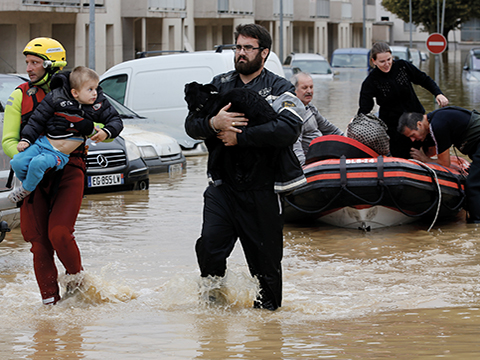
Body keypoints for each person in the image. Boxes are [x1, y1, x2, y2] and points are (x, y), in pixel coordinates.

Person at [185, 23, 305, 311]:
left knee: (266, 267)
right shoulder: (220, 83)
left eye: (248, 48)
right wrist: (214, 124)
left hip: (262, 189)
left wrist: (240, 137)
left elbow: (289, 129)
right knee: (210, 249)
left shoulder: (280, 88)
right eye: (237, 47)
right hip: (222, 187)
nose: (240, 53)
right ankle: (213, 313)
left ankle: (267, 331)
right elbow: (191, 125)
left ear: (264, 52)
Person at [2, 38, 123, 305]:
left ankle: (78, 289)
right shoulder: (20, 95)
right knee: (38, 241)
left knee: (59, 233)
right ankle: (51, 305)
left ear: (51, 65)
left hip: (70, 170)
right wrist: (31, 155)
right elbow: (8, 141)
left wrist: (100, 131)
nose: (29, 68)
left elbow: (107, 120)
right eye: (27, 63)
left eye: (35, 63)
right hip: (35, 173)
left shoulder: (81, 91)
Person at [9, 66, 121, 203]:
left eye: (96, 88)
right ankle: (28, 182)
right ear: (75, 92)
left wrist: (106, 132)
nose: (95, 93)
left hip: (59, 154)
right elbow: (37, 120)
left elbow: (116, 121)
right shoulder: (56, 97)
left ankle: (27, 189)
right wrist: (26, 139)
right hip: (42, 144)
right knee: (17, 162)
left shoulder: (99, 104)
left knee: (38, 163)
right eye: (90, 89)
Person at [358, 42, 449, 159]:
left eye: (389, 59)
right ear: (373, 61)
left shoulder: (403, 66)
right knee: (403, 156)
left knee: (429, 148)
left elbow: (423, 79)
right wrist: (357, 121)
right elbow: (365, 108)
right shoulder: (371, 81)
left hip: (416, 118)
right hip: (394, 128)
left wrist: (438, 93)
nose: (387, 64)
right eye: (382, 62)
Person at [397, 107, 480, 223]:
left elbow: (445, 163)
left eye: (412, 135)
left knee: (473, 185)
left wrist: (424, 159)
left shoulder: (438, 125)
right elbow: (433, 150)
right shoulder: (434, 120)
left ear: (419, 124)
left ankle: (476, 225)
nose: (412, 140)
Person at [292, 72, 343, 165]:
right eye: (304, 88)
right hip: (312, 162)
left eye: (311, 87)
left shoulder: (310, 107)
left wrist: (347, 142)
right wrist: (304, 168)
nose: (309, 91)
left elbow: (329, 129)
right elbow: (296, 147)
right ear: (294, 90)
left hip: (323, 154)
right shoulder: (294, 114)